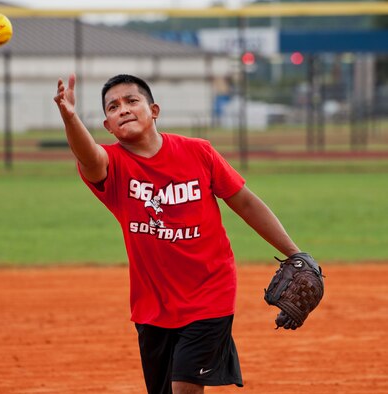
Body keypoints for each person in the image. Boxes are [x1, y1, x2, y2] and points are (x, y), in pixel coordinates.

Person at [54, 73, 301, 394]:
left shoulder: (198, 152)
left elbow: (245, 202)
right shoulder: (112, 166)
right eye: (113, 107)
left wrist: (294, 253)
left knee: (185, 387)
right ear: (108, 126)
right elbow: (88, 156)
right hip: (152, 306)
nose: (123, 109)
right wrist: (70, 118)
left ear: (153, 110)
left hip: (210, 294)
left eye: (132, 100)